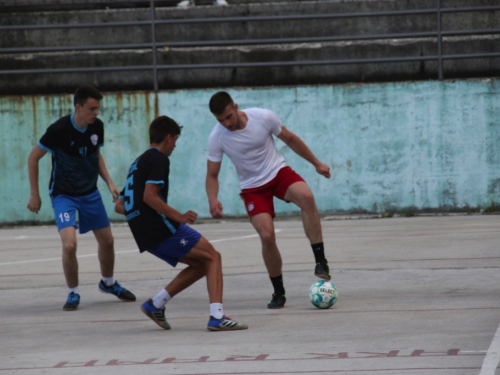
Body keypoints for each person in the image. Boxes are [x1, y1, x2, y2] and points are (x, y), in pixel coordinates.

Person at [114, 115, 247, 332]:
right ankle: (217, 317)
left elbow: (120, 206)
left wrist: (140, 217)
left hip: (143, 232)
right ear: (167, 138)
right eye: (175, 140)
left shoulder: (136, 163)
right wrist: (179, 216)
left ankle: (155, 304)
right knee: (214, 257)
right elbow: (150, 196)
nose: (175, 145)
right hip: (160, 227)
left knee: (202, 263)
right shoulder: (159, 159)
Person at [206, 91, 332, 309]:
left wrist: (316, 163)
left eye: (228, 117)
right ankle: (279, 291)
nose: (226, 123)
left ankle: (321, 261)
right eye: (220, 120)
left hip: (277, 172)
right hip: (252, 188)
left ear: (235, 107)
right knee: (266, 235)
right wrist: (213, 198)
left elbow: (290, 139)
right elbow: (212, 175)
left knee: (307, 196)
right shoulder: (217, 137)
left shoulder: (263, 117)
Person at [27, 85, 136, 311]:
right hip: (63, 195)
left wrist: (110, 183)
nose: (96, 113)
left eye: (98, 108)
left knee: (107, 241)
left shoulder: (98, 128)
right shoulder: (58, 129)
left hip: (89, 193)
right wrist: (35, 194)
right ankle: (73, 292)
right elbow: (33, 158)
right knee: (70, 244)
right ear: (78, 107)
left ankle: (108, 283)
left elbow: (96, 156)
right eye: (92, 108)